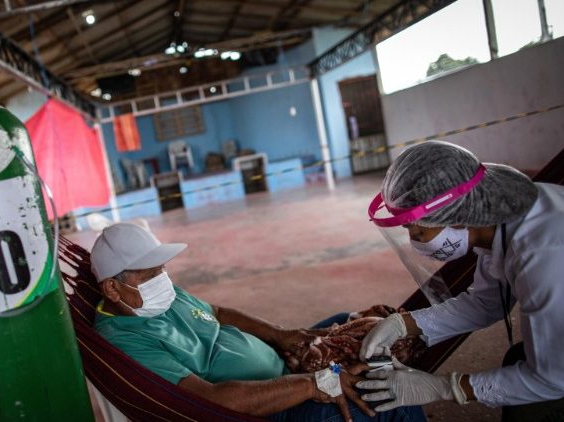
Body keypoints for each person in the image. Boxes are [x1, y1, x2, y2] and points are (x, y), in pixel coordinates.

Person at [91, 222, 425, 421]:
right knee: (389, 394)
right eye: (151, 274)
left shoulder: (151, 298)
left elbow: (218, 314)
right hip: (273, 407)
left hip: (283, 366)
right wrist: (315, 383)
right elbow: (209, 399)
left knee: (347, 323)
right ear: (112, 287)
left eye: (162, 269)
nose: (163, 279)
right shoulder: (125, 340)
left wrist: (280, 336)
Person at [356, 141, 564, 421]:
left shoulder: (541, 259)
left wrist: (446, 388)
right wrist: (404, 324)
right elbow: (485, 303)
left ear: (455, 215)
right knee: (518, 359)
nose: (414, 239)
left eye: (416, 231)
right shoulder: (503, 224)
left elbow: (552, 379)